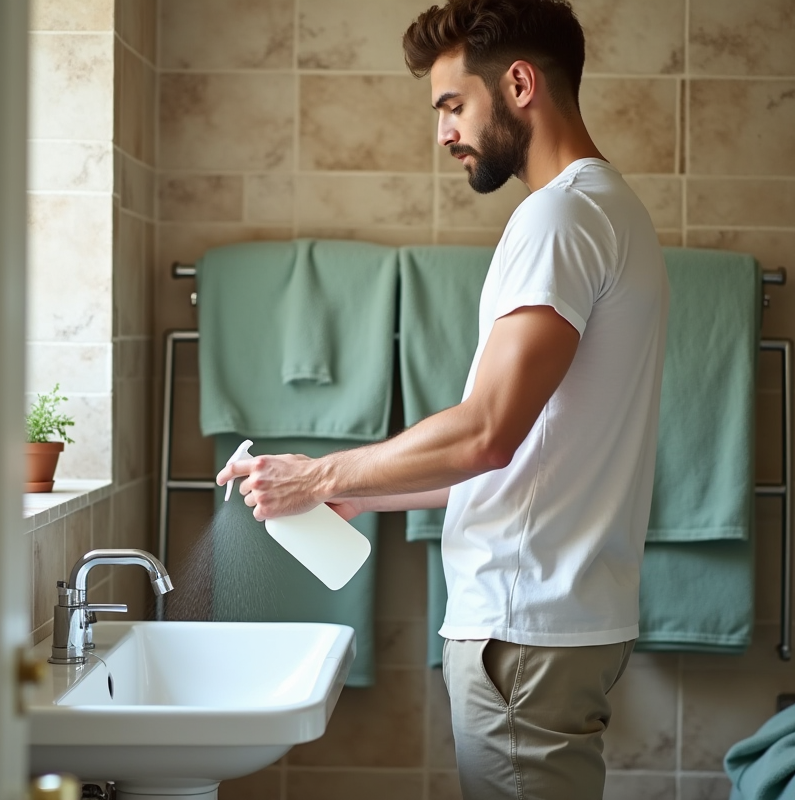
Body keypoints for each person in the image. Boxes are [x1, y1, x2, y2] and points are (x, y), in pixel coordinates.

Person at [216, 0, 669, 796]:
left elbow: (487, 433)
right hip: (552, 622)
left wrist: (319, 476)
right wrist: (358, 490)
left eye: (453, 105)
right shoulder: (610, 209)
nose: (443, 133)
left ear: (519, 84)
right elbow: (525, 452)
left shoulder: (559, 217)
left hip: (522, 630)